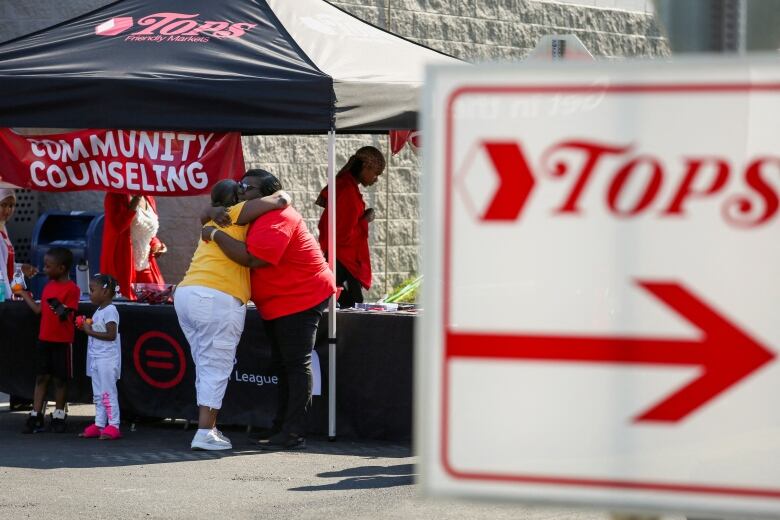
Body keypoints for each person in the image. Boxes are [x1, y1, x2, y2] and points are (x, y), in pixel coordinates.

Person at [203, 169, 336, 450]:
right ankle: (280, 425)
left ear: (266, 194)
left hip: (301, 297)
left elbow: (254, 259)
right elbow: (206, 212)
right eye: (239, 185)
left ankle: (293, 432)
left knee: (295, 365)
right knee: (283, 365)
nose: (240, 190)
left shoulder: (278, 217)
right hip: (278, 302)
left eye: (247, 187)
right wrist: (212, 213)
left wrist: (214, 234)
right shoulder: (252, 213)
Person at [175, 180, 289, 451]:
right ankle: (204, 432)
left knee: (205, 365)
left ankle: (208, 427)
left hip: (188, 294)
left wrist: (209, 213)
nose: (248, 192)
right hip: (216, 297)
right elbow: (282, 200)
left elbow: (204, 215)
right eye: (243, 189)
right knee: (216, 367)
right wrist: (276, 195)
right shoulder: (236, 212)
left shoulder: (212, 220)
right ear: (235, 199)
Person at [15, 247, 80, 434]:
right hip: (45, 339)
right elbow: (38, 311)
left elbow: (68, 314)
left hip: (62, 342)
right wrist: (24, 294)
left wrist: (59, 308)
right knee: (41, 377)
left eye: (48, 266)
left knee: (60, 380)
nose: (44, 269)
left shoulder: (72, 289)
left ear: (61, 268)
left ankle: (59, 415)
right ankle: (36, 414)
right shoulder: (48, 287)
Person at [316, 146, 385, 308]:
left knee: (347, 305)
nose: (376, 179)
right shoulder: (347, 189)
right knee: (352, 306)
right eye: (375, 173)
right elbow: (342, 235)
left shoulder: (345, 185)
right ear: (365, 167)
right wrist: (365, 220)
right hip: (342, 259)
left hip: (339, 257)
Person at [79, 273, 122, 440]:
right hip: (96, 358)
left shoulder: (111, 310)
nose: (90, 293)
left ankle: (114, 425)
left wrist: (90, 331)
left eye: (92, 290)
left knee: (107, 393)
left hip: (107, 359)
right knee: (98, 393)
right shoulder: (99, 311)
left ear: (104, 292)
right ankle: (99, 424)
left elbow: (112, 335)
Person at [101, 193, 166, 300]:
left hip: (145, 264)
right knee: (127, 306)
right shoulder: (114, 196)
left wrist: (156, 244)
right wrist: (137, 198)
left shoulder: (149, 197)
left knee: (158, 301)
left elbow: (147, 231)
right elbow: (117, 226)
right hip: (123, 265)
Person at [0, 188, 36, 295]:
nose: (8, 210)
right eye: (3, 205)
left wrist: (20, 268)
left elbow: (4, 264)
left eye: (11, 206)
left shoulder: (2, 228)